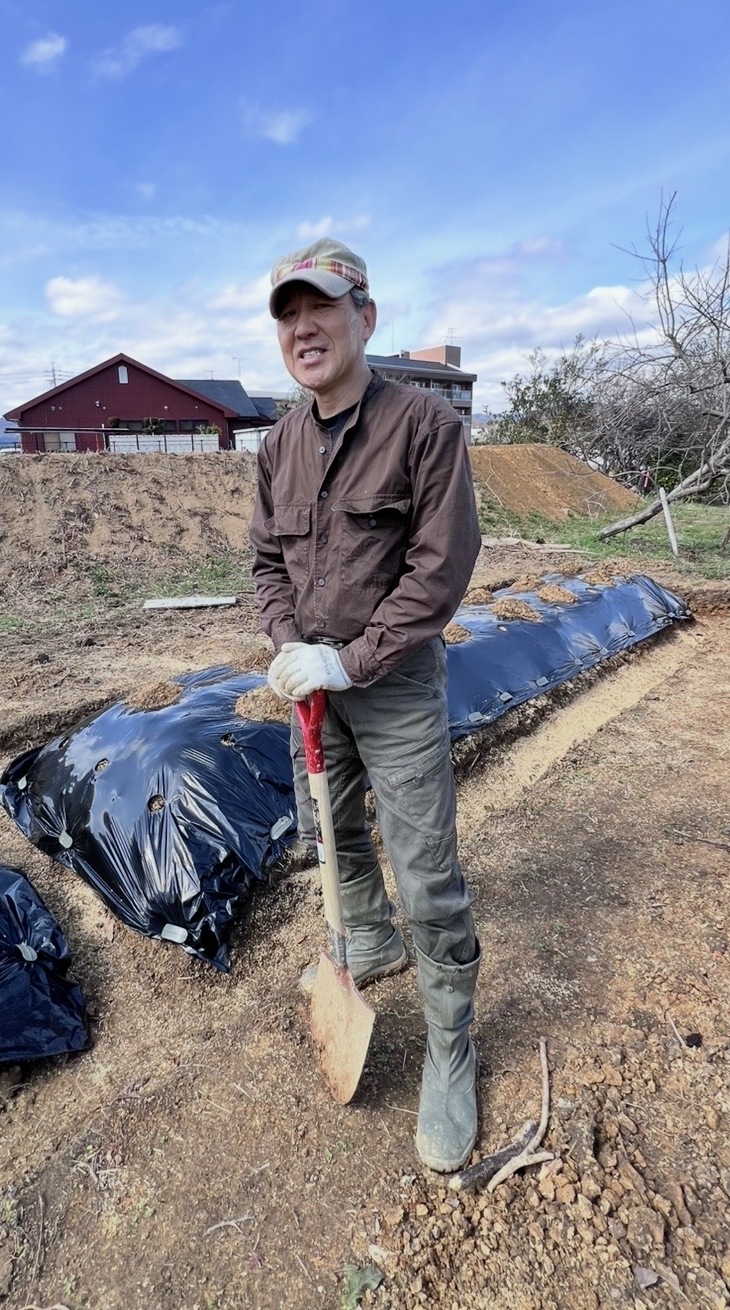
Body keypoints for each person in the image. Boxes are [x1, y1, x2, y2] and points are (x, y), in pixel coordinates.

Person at [249, 237, 483, 1173]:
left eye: (322, 309)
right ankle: (368, 945)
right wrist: (290, 649)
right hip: (314, 688)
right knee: (331, 836)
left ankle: (451, 1046)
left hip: (392, 688)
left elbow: (441, 569)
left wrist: (350, 662)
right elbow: (267, 564)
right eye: (288, 316)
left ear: (365, 318)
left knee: (425, 871)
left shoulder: (424, 427)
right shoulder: (277, 445)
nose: (304, 329)